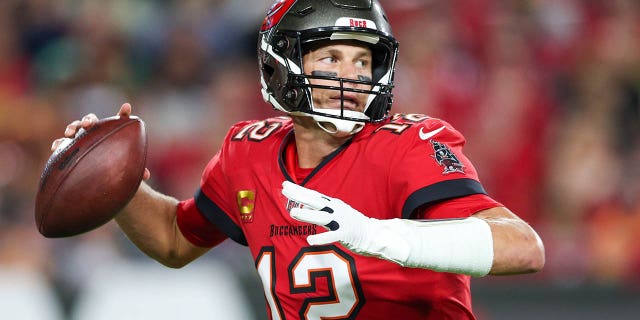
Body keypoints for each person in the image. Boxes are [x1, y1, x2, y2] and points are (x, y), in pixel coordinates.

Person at [52, 1, 545, 319]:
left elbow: (524, 248)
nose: (352, 76)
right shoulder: (247, 152)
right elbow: (175, 241)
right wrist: (113, 181)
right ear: (281, 63)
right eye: (330, 58)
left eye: (363, 60)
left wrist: (381, 236)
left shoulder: (410, 143)